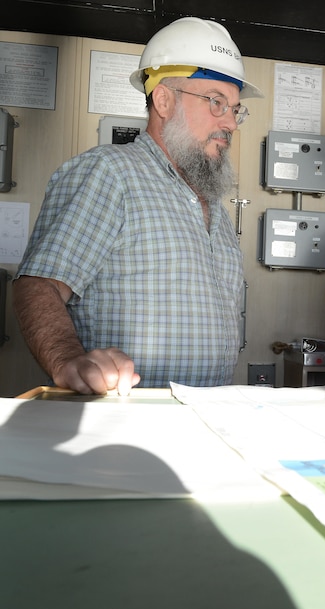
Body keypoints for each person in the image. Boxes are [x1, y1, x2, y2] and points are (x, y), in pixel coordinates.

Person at [13, 17, 263, 395]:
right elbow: (39, 285)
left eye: (234, 109)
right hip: (122, 420)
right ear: (164, 100)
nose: (230, 122)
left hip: (204, 423)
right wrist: (68, 360)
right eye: (216, 102)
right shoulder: (109, 173)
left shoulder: (211, 202)